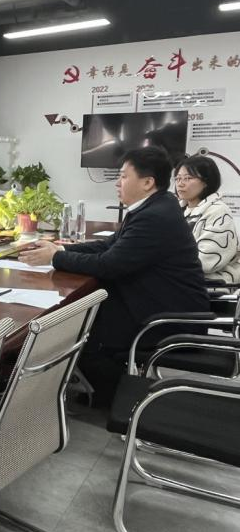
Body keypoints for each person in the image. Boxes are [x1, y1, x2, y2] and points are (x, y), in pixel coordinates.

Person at [18, 147, 209, 405]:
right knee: (80, 314)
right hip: (160, 302)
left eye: (123, 176)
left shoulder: (154, 216)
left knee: (76, 325)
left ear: (147, 182)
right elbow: (110, 246)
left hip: (167, 319)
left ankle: (111, 401)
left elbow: (110, 264)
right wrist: (61, 250)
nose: (117, 183)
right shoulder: (156, 205)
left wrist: (54, 258)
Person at [175, 154, 240, 284]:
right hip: (181, 280)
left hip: (209, 285)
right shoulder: (177, 211)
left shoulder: (218, 211)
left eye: (187, 178)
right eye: (178, 178)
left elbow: (207, 260)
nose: (180, 184)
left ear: (206, 182)